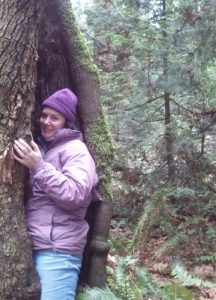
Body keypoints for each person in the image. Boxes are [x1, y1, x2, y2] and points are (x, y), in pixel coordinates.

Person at [13, 88, 100, 300]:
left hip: (58, 251)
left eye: (55, 118)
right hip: (32, 246)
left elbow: (75, 194)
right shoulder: (44, 149)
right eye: (44, 115)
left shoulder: (76, 151)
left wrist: (39, 167)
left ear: (66, 123)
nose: (46, 122)